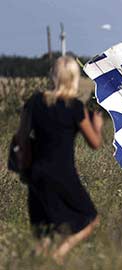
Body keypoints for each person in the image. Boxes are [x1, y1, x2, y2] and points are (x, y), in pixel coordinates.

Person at [27, 56, 102, 263]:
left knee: (44, 236)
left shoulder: (35, 102)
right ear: (73, 78)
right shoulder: (75, 108)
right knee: (91, 219)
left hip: (36, 174)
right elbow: (94, 143)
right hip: (63, 174)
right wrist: (97, 124)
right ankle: (59, 255)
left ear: (54, 76)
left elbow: (21, 137)